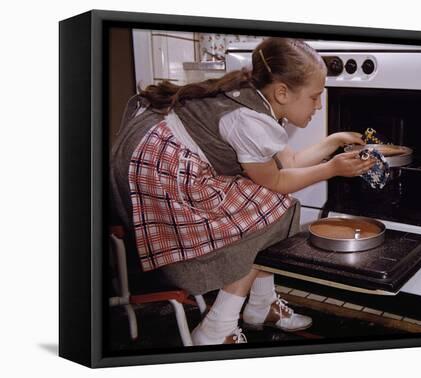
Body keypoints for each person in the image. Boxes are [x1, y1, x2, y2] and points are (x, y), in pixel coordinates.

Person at [110, 37, 376, 346]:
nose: (319, 105)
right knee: (275, 207)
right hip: (157, 177)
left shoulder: (257, 100)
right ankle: (217, 328)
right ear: (282, 93)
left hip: (153, 162)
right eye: (315, 97)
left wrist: (334, 141)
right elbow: (276, 183)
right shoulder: (249, 120)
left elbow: (286, 162)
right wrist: (332, 169)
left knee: (268, 206)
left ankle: (261, 307)